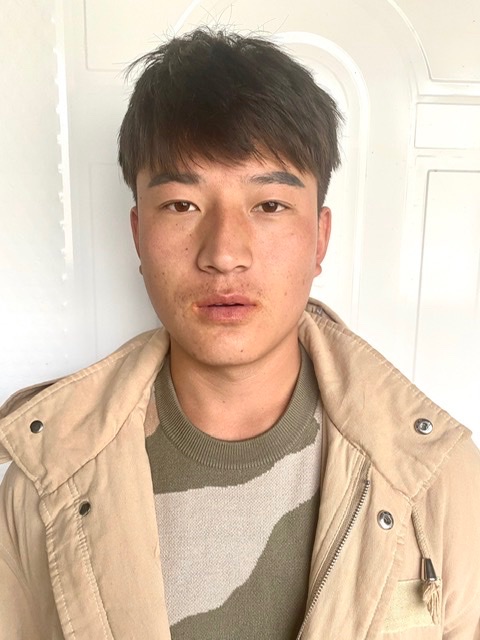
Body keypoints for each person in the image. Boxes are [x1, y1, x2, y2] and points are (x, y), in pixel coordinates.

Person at [1, 28, 479, 640]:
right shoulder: (46, 482)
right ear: (137, 236)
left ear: (320, 238)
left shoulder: (438, 477)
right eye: (181, 205)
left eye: (269, 205)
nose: (224, 253)